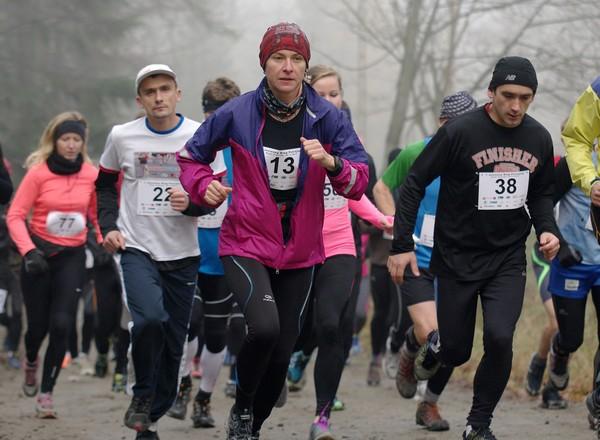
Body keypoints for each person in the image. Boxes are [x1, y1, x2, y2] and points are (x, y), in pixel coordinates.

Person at [177, 22, 368, 440]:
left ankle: (253, 426)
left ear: (305, 66)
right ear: (264, 63)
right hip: (246, 240)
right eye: (278, 57)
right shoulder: (237, 112)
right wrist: (203, 186)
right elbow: (191, 157)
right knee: (264, 328)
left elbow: (360, 177)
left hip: (300, 248)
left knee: (282, 353)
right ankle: (242, 406)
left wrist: (333, 164)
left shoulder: (327, 118)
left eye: (296, 59)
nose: (287, 66)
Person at [387, 56, 561, 440]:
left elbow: (542, 193)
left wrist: (547, 230)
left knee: (499, 338)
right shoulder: (460, 132)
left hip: (506, 258)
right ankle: (430, 348)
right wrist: (401, 246)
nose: (516, 106)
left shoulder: (538, 137)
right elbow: (414, 183)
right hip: (456, 257)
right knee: (455, 352)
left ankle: (478, 425)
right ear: (491, 92)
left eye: (525, 98)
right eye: (508, 95)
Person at [96, 64, 223, 440]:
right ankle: (141, 396)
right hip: (136, 247)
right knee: (149, 320)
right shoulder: (122, 136)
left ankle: (149, 418)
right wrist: (109, 227)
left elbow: (213, 193)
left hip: (183, 252)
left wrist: (193, 203)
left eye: (165, 89)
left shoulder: (199, 135)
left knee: (174, 342)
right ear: (140, 100)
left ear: (178, 94)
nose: (158, 97)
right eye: (150, 92)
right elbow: (104, 185)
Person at [284, 64, 392, 439]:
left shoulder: (348, 137)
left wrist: (382, 219)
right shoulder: (288, 134)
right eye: (321, 94)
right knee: (293, 327)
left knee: (331, 324)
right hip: (296, 245)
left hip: (339, 244)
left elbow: (353, 191)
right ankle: (282, 364)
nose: (330, 101)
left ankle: (322, 418)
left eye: (335, 94)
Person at [374, 91, 477, 431]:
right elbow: (382, 188)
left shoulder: (480, 157)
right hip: (417, 257)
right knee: (431, 331)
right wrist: (398, 229)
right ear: (441, 123)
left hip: (458, 261)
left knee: (453, 339)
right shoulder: (416, 152)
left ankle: (428, 404)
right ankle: (409, 350)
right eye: (452, 125)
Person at [7, 111, 101, 418]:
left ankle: (46, 393)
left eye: (76, 139)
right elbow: (15, 215)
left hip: (72, 257)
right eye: (65, 139)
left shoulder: (91, 174)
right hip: (39, 257)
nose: (71, 145)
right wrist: (29, 251)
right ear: (54, 141)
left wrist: (102, 240)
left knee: (61, 324)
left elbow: (96, 215)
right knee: (36, 329)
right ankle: (31, 360)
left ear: (82, 143)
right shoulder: (39, 174)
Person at [167, 77, 241, 429]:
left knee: (216, 335)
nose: (218, 122)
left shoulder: (244, 151)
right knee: (188, 323)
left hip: (224, 255)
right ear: (204, 113)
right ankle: (183, 384)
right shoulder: (192, 146)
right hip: (189, 249)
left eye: (225, 115)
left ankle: (204, 398)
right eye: (212, 115)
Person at [561, 76, 600, 429]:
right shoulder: (598, 90)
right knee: (571, 337)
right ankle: (558, 358)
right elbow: (541, 200)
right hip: (575, 260)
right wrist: (556, 241)